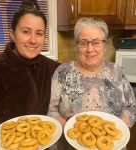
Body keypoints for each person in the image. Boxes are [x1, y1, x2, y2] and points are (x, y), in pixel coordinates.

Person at [48, 17, 136, 150]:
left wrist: (119, 128)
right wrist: (68, 128)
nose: (90, 49)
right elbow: (52, 110)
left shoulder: (117, 71)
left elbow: (131, 107)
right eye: (83, 43)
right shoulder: (62, 72)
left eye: (96, 42)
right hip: (70, 144)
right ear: (76, 46)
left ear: (105, 46)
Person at [0, 2, 60, 149]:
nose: (33, 40)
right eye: (26, 32)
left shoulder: (53, 68)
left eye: (39, 33)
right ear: (12, 34)